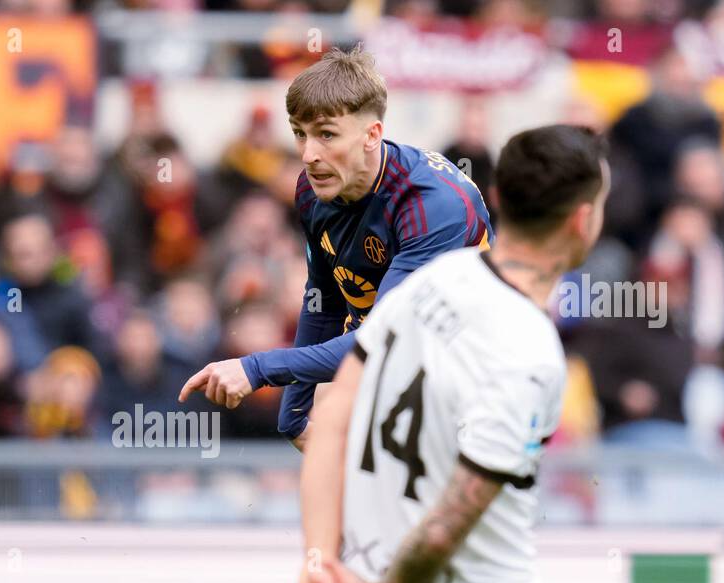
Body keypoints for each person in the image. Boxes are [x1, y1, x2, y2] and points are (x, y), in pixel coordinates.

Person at [220, 126, 688, 583]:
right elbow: (449, 524)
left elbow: (332, 413)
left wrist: (323, 568)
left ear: (496, 199)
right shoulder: (532, 351)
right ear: (585, 220)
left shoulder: (431, 283)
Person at [179, 46, 493, 449]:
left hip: (471, 384)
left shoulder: (432, 206)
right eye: (299, 133)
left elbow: (383, 340)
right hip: (401, 372)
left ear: (372, 135)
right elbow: (324, 299)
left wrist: (257, 368)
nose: (309, 155)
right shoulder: (314, 190)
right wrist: (293, 413)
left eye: (326, 134)